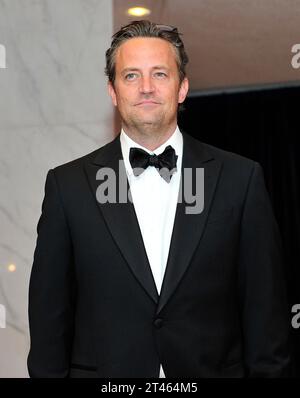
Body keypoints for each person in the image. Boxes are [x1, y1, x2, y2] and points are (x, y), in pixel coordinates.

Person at [28, 20, 290, 378]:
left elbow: (267, 322)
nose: (146, 88)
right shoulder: (67, 187)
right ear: (112, 90)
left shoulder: (240, 180)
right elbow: (48, 325)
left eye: (160, 74)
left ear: (182, 88)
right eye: (132, 76)